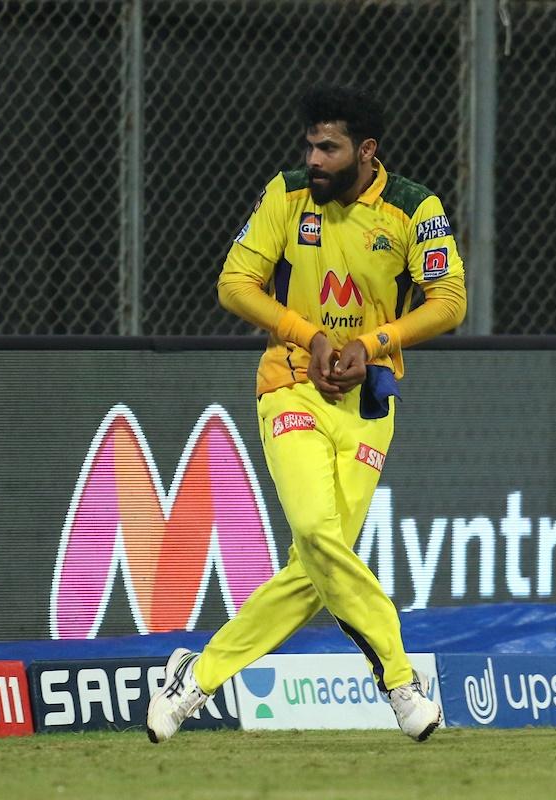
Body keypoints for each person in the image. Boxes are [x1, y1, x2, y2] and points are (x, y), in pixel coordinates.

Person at [146, 84, 466, 743]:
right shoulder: (286, 195)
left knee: (320, 564)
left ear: (366, 152)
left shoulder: (414, 209)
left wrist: (372, 344)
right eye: (310, 145)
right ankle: (401, 683)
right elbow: (234, 282)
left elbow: (451, 300)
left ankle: (195, 677)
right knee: (320, 533)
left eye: (330, 147)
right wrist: (311, 336)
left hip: (369, 403)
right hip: (289, 384)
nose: (313, 158)